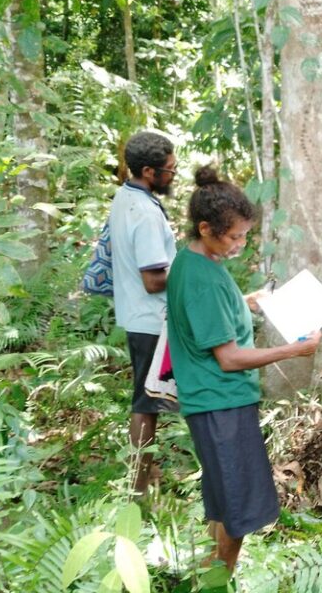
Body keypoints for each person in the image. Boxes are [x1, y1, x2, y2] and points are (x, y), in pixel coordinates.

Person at [165, 165, 321, 576]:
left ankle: (209, 576)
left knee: (223, 503)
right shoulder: (203, 278)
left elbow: (210, 313)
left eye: (245, 235)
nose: (241, 244)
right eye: (234, 237)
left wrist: (245, 300)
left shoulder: (192, 262)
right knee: (237, 512)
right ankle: (219, 579)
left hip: (213, 403)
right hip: (221, 404)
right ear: (205, 229)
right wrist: (294, 350)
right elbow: (229, 357)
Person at [108, 131, 179, 497]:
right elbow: (153, 280)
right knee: (146, 402)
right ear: (150, 171)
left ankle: (141, 481)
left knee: (146, 399)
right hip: (152, 319)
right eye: (170, 170)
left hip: (136, 315)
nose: (173, 175)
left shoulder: (125, 197)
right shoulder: (147, 214)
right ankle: (136, 491)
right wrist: (190, 274)